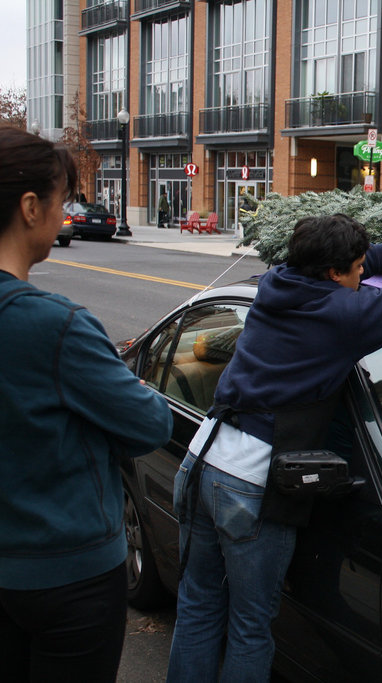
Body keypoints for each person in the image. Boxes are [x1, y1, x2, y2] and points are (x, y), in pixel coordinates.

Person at [167, 212, 382, 683]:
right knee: (251, 627)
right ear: (334, 273)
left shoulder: (280, 280)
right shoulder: (342, 314)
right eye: (355, 270)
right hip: (250, 484)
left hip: (203, 459)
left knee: (198, 607)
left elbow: (360, 261)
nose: (361, 276)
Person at [0, 125, 174, 682]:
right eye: (62, 201)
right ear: (30, 207)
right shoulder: (54, 325)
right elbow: (150, 423)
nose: (64, 214)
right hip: (65, 574)